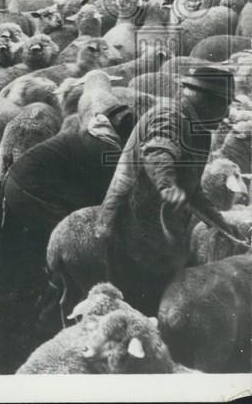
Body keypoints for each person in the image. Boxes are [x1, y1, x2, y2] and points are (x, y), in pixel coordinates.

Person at [97, 66, 245, 314]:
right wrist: (166, 184)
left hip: (160, 232)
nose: (227, 113)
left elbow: (193, 189)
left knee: (162, 301)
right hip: (130, 227)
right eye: (224, 104)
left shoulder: (199, 130)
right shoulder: (169, 117)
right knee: (136, 306)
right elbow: (158, 151)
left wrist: (222, 225)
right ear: (206, 100)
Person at [3, 103, 136, 237]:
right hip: (27, 190)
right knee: (69, 234)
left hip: (16, 181)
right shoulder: (104, 147)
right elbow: (109, 193)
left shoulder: (92, 131)